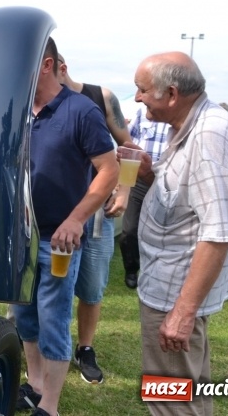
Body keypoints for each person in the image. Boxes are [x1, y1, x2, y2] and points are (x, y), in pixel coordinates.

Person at [128, 52, 228, 416]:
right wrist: (150, 175)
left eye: (142, 89)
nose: (136, 97)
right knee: (188, 396)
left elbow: (217, 232)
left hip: (174, 295)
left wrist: (182, 313)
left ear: (171, 94)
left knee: (170, 401)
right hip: (169, 287)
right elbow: (185, 202)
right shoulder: (188, 127)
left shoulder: (210, 135)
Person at [12, 38, 118, 416]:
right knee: (25, 316)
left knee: (53, 318)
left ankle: (50, 406)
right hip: (20, 237)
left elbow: (109, 170)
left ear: (47, 64)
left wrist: (76, 219)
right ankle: (35, 384)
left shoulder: (82, 110)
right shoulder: (16, 109)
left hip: (59, 239)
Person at [54, 54, 129, 385]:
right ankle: (50, 348)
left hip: (97, 214)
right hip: (56, 213)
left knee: (92, 286)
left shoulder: (102, 97)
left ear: (62, 68)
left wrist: (124, 190)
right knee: (52, 284)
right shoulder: (43, 102)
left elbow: (128, 147)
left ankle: (85, 348)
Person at [118, 105, 169, 289]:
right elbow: (125, 141)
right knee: (130, 230)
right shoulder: (141, 114)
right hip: (139, 179)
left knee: (162, 231)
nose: (139, 98)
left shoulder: (182, 120)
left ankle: (158, 273)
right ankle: (131, 269)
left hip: (167, 181)